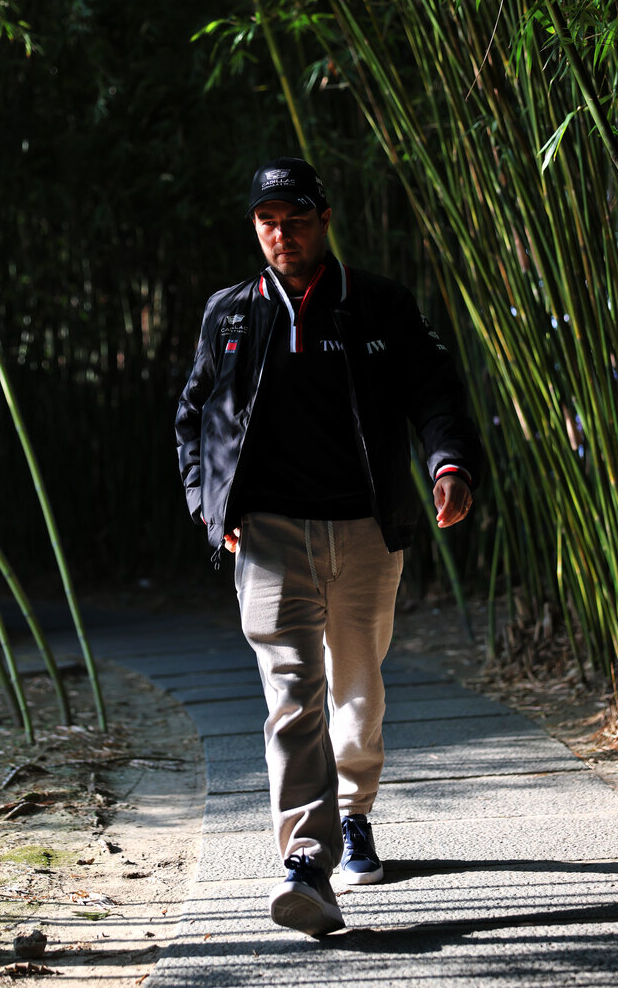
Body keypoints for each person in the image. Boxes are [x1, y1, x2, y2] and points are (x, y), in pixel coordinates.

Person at [175, 157, 482, 937]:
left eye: (297, 220)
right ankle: (306, 862)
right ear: (255, 226)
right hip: (270, 534)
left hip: (364, 529)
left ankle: (354, 811)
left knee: (356, 683)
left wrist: (448, 464)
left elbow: (435, 393)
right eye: (268, 221)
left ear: (325, 219)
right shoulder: (229, 313)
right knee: (291, 694)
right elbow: (194, 417)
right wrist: (211, 506)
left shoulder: (378, 303)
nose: (282, 234)